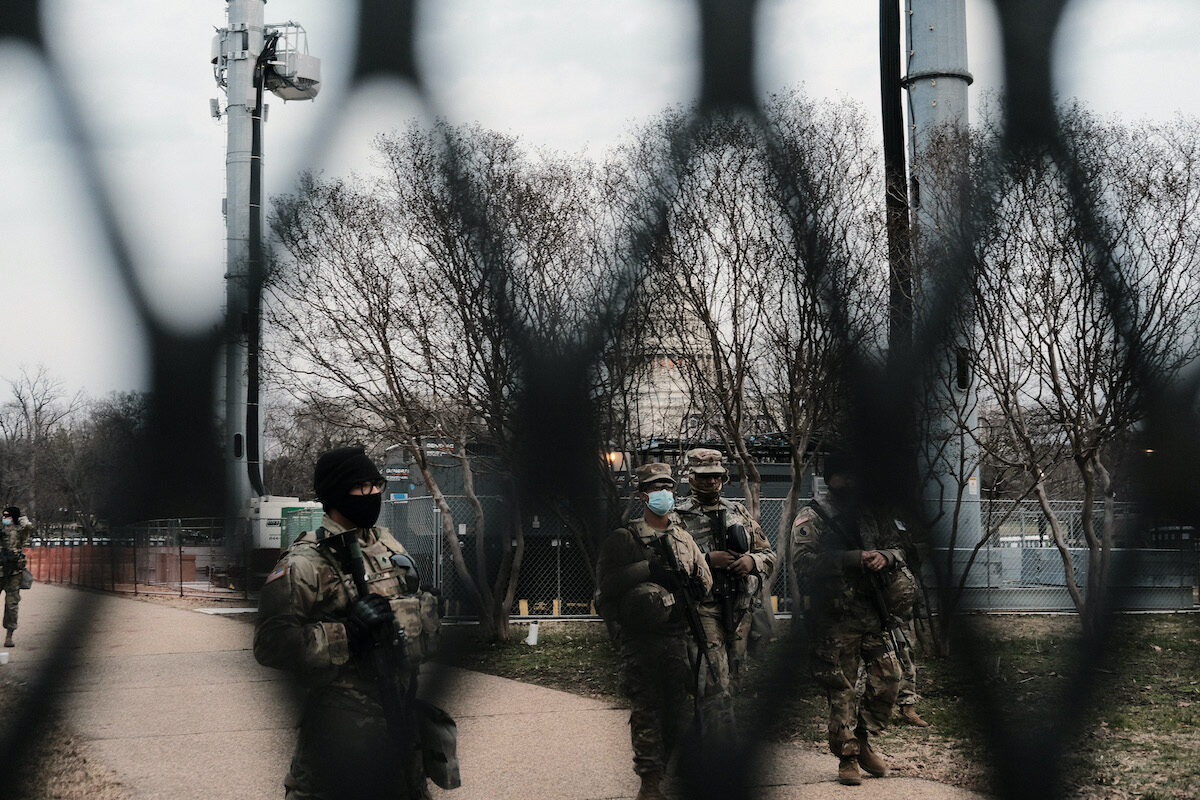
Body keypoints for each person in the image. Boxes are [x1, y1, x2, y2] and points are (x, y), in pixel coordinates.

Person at [254, 446, 443, 800]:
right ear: (337, 493)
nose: (373, 494)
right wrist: (347, 634)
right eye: (362, 487)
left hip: (400, 726)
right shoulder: (303, 564)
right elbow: (271, 643)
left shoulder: (385, 544)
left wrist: (425, 609)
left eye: (377, 485)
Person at [596, 462, 713, 800]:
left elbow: (704, 582)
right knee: (647, 708)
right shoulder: (625, 537)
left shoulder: (683, 537)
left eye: (668, 486)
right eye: (655, 487)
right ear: (642, 494)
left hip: (677, 635)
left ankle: (665, 770)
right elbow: (607, 585)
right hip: (640, 639)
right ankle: (649, 782)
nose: (663, 493)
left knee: (679, 709)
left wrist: (690, 587)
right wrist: (648, 569)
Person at [789, 451, 905, 786]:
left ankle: (863, 739)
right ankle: (849, 757)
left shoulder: (872, 512)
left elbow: (899, 548)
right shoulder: (813, 515)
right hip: (835, 619)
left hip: (872, 614)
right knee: (843, 692)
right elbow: (802, 563)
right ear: (831, 477)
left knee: (890, 678)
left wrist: (885, 556)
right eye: (846, 474)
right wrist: (852, 559)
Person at [673, 448, 775, 730]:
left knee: (732, 677)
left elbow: (768, 554)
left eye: (716, 476)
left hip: (739, 608)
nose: (711, 482)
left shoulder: (738, 512)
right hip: (702, 608)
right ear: (691, 477)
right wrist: (706, 560)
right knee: (714, 680)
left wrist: (750, 561)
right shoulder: (678, 517)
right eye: (704, 477)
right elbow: (667, 565)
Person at [2, 506, 34, 648]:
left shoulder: (21, 531)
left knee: (12, 605)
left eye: (8, 516)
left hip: (14, 572)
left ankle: (9, 636)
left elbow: (27, 526)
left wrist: (20, 518)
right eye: (3, 516)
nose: (5, 518)